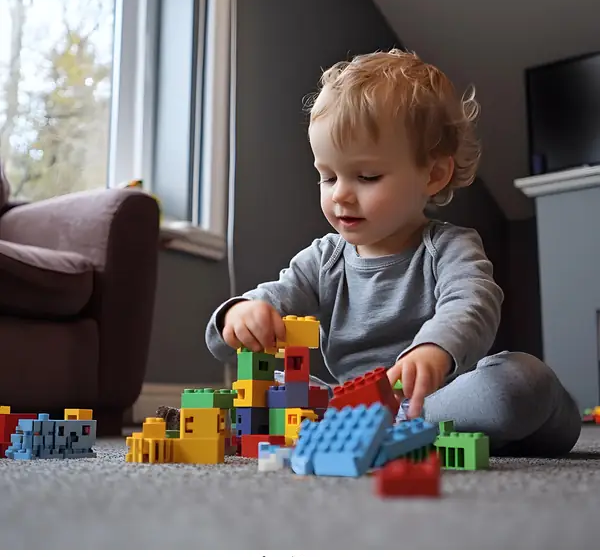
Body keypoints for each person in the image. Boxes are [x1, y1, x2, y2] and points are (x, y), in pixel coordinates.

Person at [205, 49, 581, 456]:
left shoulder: (448, 246)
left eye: (367, 176)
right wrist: (240, 314)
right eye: (327, 176)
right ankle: (376, 426)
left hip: (443, 398)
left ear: (433, 175)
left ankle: (386, 427)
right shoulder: (323, 259)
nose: (341, 194)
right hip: (355, 401)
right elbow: (254, 313)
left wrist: (432, 349)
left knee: (518, 382)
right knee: (269, 392)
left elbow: (472, 303)